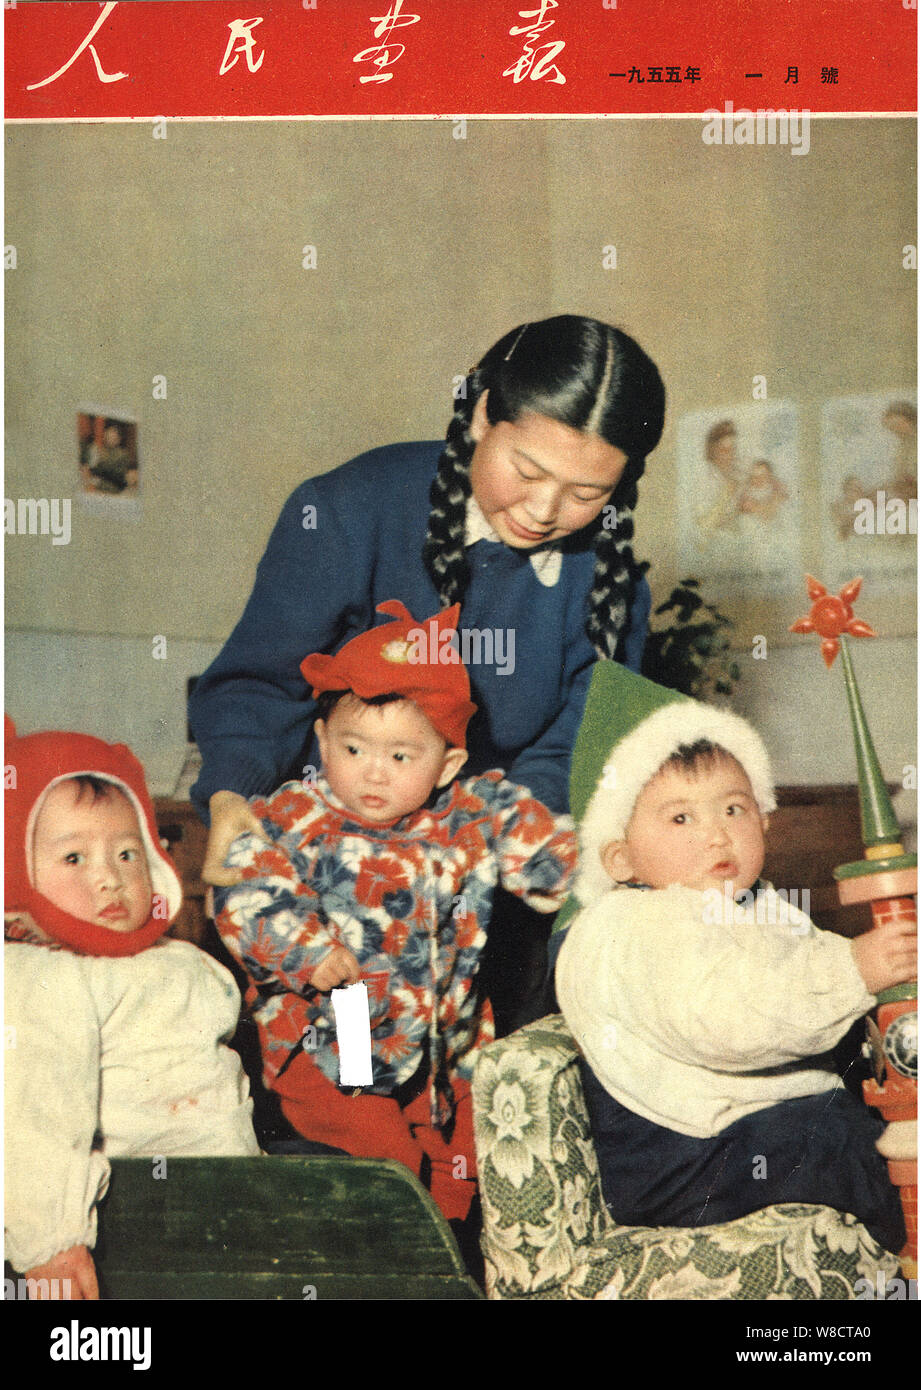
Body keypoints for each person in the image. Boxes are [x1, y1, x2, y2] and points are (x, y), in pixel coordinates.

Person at [189, 315, 665, 882]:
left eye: (586, 493)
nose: (544, 511)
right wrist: (230, 794)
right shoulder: (345, 511)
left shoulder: (614, 585)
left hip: (491, 883)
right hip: (325, 863)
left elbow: (570, 751)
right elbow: (259, 686)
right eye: (527, 471)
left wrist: (510, 840)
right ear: (485, 414)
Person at [211, 601, 577, 1225]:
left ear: (448, 763)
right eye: (353, 748)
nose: (373, 773)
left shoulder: (472, 812)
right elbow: (246, 887)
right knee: (387, 1163)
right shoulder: (296, 815)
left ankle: (455, 1253)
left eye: (402, 757)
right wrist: (308, 949)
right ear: (322, 740)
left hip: (442, 1044)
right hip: (334, 1034)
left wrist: (606, 865)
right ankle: (399, 1253)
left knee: (472, 1156)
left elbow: (549, 856)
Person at [554, 666, 910, 1255]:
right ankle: (903, 1256)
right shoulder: (636, 926)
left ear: (764, 819)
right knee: (843, 1141)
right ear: (620, 859)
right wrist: (854, 973)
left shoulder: (755, 905)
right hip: (684, 1160)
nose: (717, 835)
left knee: (867, 1105)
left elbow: (811, 963)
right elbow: (727, 1017)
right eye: (681, 818)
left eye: (734, 810)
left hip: (740, 1130)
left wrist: (873, 975)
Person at [4, 719, 259, 1301]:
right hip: (126, 1221)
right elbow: (33, 1114)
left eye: (127, 853)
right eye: (73, 858)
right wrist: (51, 1244)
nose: (109, 878)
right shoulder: (37, 974)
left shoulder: (177, 959)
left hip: (227, 1197)